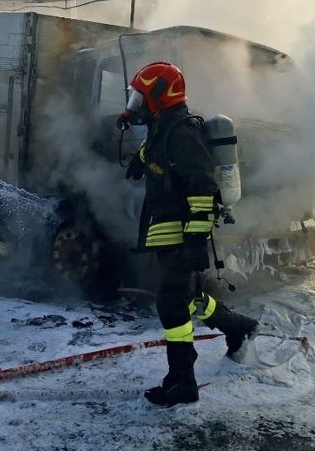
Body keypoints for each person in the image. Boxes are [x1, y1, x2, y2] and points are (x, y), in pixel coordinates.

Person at [118, 61, 259, 406]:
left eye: (140, 98)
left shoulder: (181, 130)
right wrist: (138, 159)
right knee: (187, 298)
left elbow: (202, 185)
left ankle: (183, 382)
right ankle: (238, 327)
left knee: (171, 303)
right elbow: (157, 153)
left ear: (159, 97)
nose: (135, 105)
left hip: (182, 232)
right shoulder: (163, 128)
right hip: (168, 231)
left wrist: (196, 239)